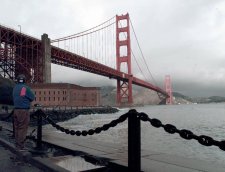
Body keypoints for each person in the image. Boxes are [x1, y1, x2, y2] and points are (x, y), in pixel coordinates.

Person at [13, 74, 35, 151]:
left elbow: (20, 97)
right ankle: (21, 146)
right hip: (23, 111)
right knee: (22, 128)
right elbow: (32, 97)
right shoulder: (24, 88)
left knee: (17, 128)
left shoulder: (15, 88)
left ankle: (17, 144)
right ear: (24, 80)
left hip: (15, 110)